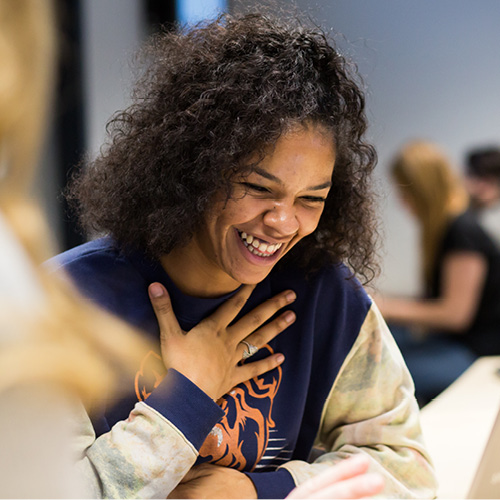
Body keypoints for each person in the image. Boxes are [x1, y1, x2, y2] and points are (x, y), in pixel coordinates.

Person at [49, 11, 437, 499]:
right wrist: (187, 394)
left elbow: (410, 470)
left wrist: (259, 491)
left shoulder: (324, 294)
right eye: (258, 188)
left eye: (310, 199)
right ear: (193, 169)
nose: (282, 222)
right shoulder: (60, 304)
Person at [376, 140, 500, 404]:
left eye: (405, 191)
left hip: (477, 353)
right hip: (461, 345)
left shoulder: (462, 231)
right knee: (389, 337)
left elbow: (454, 314)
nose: (402, 202)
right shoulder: (451, 227)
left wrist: (378, 304)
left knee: (377, 371)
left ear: (422, 189)